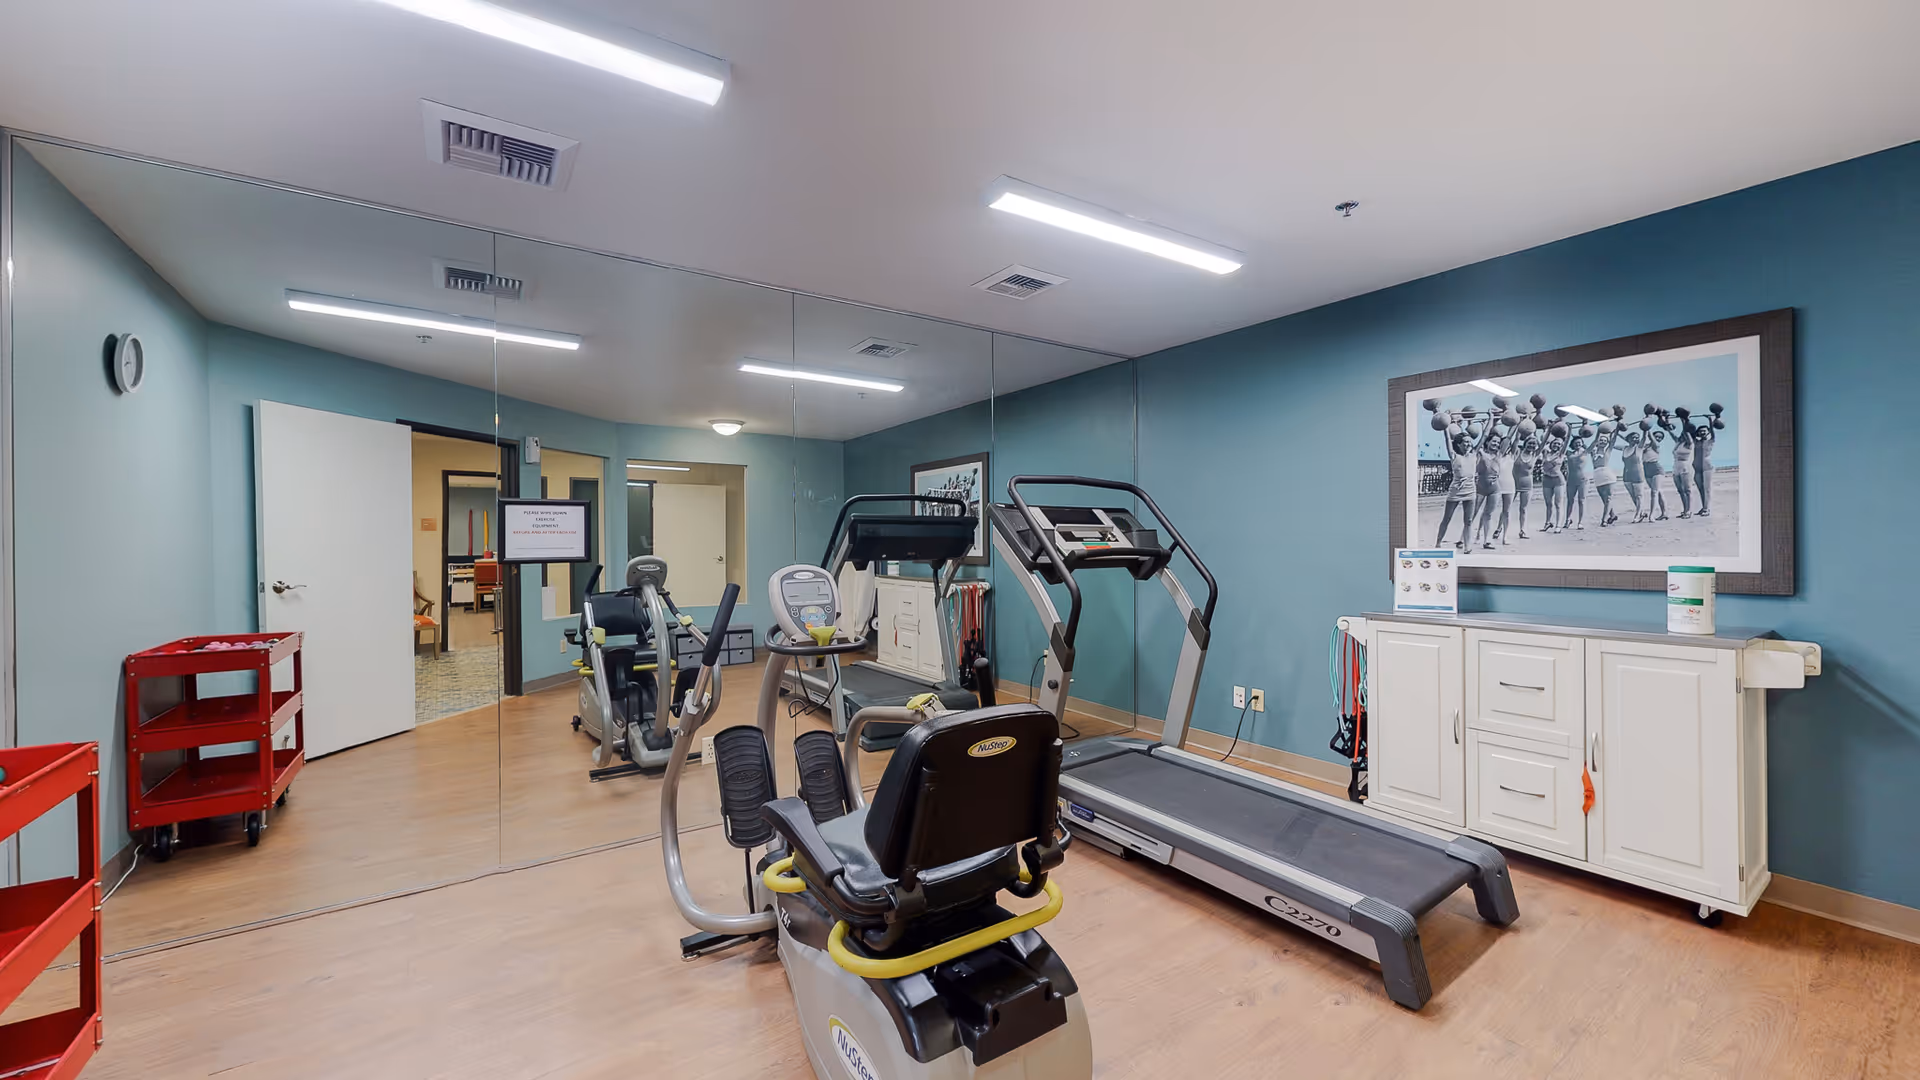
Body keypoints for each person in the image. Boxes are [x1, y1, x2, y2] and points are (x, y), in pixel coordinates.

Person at [1435, 429, 1479, 548]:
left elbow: (1485, 435)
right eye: (1465, 442)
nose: (1468, 444)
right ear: (1459, 444)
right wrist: (1445, 427)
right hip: (1456, 490)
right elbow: (1447, 439)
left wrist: (1491, 418)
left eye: (1470, 442)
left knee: (1468, 521)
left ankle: (1467, 546)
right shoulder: (1454, 455)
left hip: (1470, 490)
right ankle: (1438, 543)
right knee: (1447, 518)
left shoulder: (1474, 454)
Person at [1473, 431, 1504, 550]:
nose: (1496, 443)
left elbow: (1511, 436)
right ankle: (1462, 538)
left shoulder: (1499, 454)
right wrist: (1491, 420)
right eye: (1494, 441)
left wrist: (1517, 422)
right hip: (1480, 487)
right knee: (1472, 514)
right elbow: (1484, 436)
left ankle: (1487, 541)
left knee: (1488, 515)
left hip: (1494, 489)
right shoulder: (1480, 453)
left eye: (1498, 442)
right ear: (1487, 442)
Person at [1511, 432, 1538, 539]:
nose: (1531, 445)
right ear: (1525, 443)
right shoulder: (1517, 452)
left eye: (1533, 444)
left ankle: (1523, 530)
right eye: (1529, 443)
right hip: (1513, 483)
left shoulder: (1535, 455)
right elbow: (1515, 441)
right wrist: (1518, 427)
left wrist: (1549, 429)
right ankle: (1499, 529)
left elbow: (1543, 442)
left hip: (1527, 485)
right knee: (1507, 508)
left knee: (1523, 509)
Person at [1590, 431, 1619, 527]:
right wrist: (1599, 431)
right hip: (1597, 476)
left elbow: (1613, 441)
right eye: (1601, 440)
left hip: (1607, 475)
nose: (1602, 441)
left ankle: (1604, 520)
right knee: (1604, 499)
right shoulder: (1593, 451)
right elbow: (1593, 441)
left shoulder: (1607, 451)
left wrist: (1617, 430)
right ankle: (1613, 515)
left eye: (1605, 440)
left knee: (1608, 499)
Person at [1619, 429, 1647, 523]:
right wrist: (1616, 433)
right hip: (1626, 475)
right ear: (1628, 439)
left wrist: (1645, 430)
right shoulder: (1624, 448)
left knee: (1639, 496)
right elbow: (1612, 444)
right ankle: (1641, 512)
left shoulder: (1639, 448)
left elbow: (1644, 438)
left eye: (1637, 437)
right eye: (1633, 437)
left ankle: (1637, 515)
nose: (1635, 439)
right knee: (1633, 496)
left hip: (1638, 474)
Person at [1540, 434, 1566, 532]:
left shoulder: (1561, 454)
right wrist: (1549, 429)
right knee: (1548, 504)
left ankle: (1558, 525)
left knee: (1558, 504)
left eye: (1559, 444)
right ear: (1551, 444)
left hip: (1558, 480)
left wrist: (1569, 429)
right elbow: (1543, 441)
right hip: (1546, 479)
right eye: (1555, 443)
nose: (1556, 445)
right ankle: (1547, 523)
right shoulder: (1545, 452)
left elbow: (1566, 441)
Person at [1642, 430, 1669, 521]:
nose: (1658, 438)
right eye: (1656, 436)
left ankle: (1651, 515)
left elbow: (1651, 437)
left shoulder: (1656, 446)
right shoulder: (1645, 446)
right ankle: (1664, 513)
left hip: (1656, 469)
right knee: (1659, 492)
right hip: (1646, 469)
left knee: (1654, 492)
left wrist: (1647, 428)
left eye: (1660, 437)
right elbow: (1629, 441)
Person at [1563, 435, 1589, 530]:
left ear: (1582, 443)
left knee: (1581, 501)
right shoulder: (1569, 453)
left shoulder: (1585, 452)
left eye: (1580, 442)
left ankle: (1580, 522)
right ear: (1572, 444)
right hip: (1571, 480)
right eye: (1576, 443)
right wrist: (1568, 433)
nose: (1578, 444)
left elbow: (1594, 442)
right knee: (1570, 501)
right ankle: (1567, 520)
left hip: (1582, 480)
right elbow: (1563, 445)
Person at [1671, 424, 1696, 518]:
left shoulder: (1690, 444)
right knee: (1680, 490)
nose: (1683, 435)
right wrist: (1665, 420)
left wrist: (1684, 420)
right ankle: (1685, 509)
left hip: (1686, 467)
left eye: (1684, 434)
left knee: (1687, 490)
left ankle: (1689, 511)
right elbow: (1670, 432)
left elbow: (1686, 432)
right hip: (1676, 467)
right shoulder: (1678, 443)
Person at [1692, 419, 1716, 517]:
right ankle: (1704, 507)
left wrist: (1710, 420)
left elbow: (1713, 431)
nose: (1702, 432)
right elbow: (1689, 431)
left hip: (1707, 466)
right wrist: (1684, 419)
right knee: (1701, 489)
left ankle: (1707, 509)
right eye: (1700, 431)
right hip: (1696, 467)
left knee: (1707, 489)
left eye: (1704, 431)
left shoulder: (1711, 441)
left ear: (1708, 432)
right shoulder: (1695, 442)